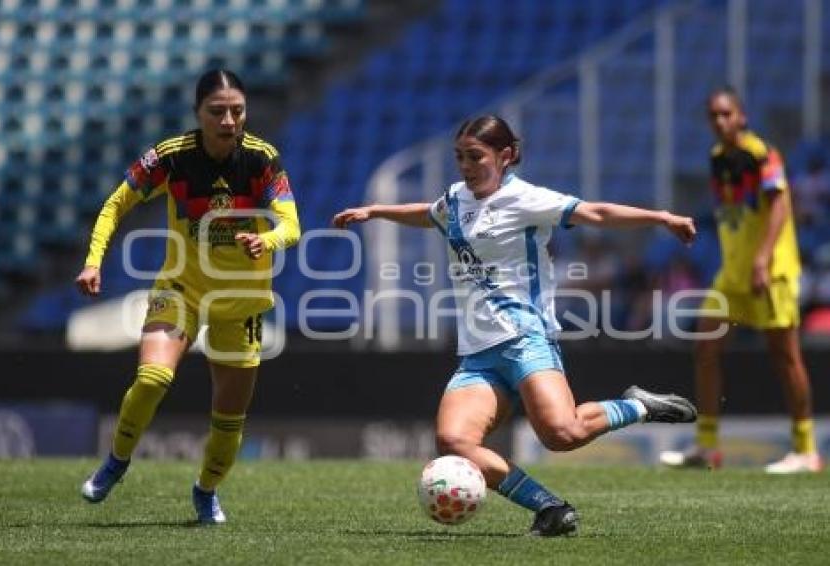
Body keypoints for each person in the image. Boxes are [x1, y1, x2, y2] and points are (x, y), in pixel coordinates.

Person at [333, 115, 698, 537]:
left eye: (475, 157)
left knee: (562, 434)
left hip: (526, 339)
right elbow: (427, 214)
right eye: (459, 158)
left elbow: (596, 212)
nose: (466, 167)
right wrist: (374, 211)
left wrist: (662, 218)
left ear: (505, 156)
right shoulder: (454, 200)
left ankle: (639, 406)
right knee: (453, 442)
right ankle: (550, 509)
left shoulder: (527, 200)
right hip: (477, 354)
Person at [75, 69, 301, 523]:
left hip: (242, 300)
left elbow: (292, 225)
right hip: (182, 288)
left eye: (237, 111)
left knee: (228, 419)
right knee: (154, 378)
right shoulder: (170, 157)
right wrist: (94, 259)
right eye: (217, 112)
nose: (229, 120)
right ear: (198, 114)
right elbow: (117, 202)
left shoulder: (262, 159)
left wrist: (269, 241)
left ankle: (206, 490)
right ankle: (117, 461)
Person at [659, 87, 823, 473]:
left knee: (786, 357)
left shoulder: (761, 154)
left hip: (772, 271)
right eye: (714, 115)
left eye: (726, 114)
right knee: (706, 347)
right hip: (732, 274)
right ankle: (707, 447)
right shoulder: (717, 158)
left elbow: (780, 203)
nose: (720, 121)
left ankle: (806, 450)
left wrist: (763, 259)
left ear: (742, 117)